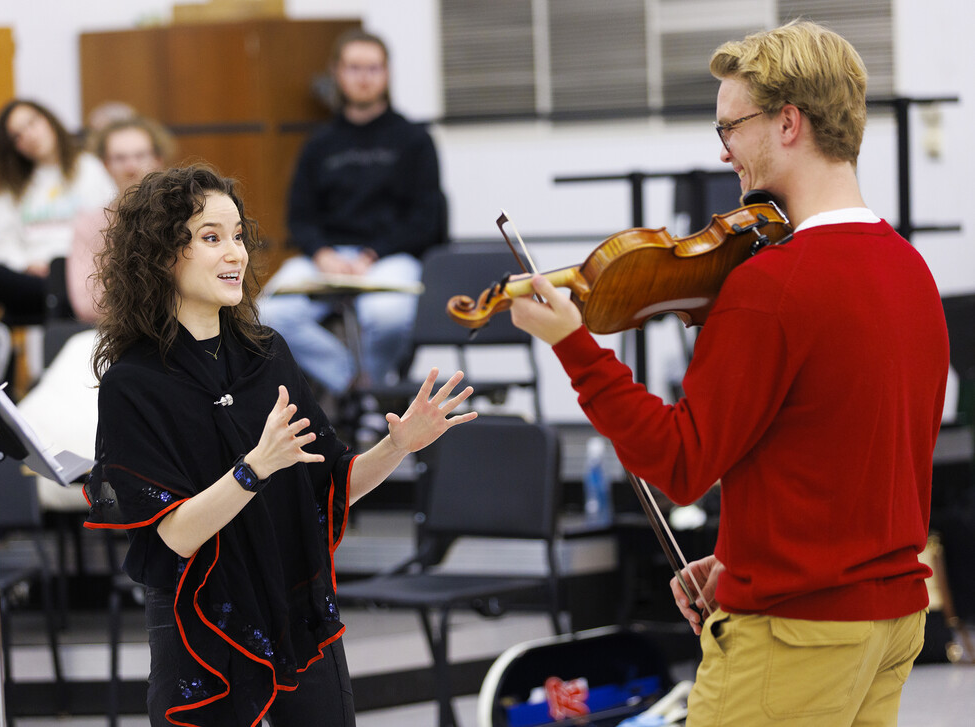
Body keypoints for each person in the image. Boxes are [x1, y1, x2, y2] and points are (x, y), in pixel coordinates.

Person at [508, 20, 949, 726]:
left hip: (794, 634)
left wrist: (574, 344)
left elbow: (680, 461)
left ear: (788, 122)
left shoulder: (772, 284)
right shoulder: (909, 267)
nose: (722, 149)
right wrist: (741, 555)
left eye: (731, 126)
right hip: (892, 622)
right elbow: (851, 455)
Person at [83, 165, 475, 726]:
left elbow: (332, 483)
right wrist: (254, 469)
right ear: (163, 254)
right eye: (211, 238)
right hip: (198, 622)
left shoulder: (268, 354)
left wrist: (398, 446)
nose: (235, 253)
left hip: (292, 603)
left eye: (238, 236)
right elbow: (174, 534)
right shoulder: (133, 384)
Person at [259, 29, 444, 396]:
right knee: (266, 317)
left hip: (390, 257)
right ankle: (357, 385)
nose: (363, 77)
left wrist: (372, 254)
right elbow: (300, 218)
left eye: (373, 68)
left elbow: (426, 218)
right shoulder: (319, 145)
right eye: (354, 67)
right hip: (326, 258)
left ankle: (371, 395)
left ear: (387, 73)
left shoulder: (414, 141)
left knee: (388, 317)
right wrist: (324, 254)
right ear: (337, 73)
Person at [0, 99, 116, 322]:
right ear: (13, 147)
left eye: (32, 123)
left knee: (74, 283)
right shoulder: (11, 187)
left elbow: (109, 227)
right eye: (18, 135)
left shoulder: (88, 168)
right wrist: (25, 264)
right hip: (32, 279)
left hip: (83, 273)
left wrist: (72, 267)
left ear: (49, 120)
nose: (30, 135)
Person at [67, 115, 175, 322]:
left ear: (158, 160)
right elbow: (87, 303)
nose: (131, 167)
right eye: (119, 158)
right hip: (113, 331)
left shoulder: (184, 217)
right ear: (105, 165)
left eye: (141, 155)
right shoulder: (90, 224)